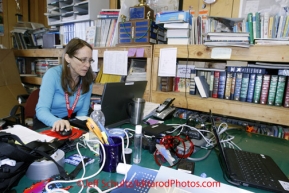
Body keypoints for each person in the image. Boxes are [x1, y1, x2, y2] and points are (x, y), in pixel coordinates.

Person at [34, 38, 94, 131]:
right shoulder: (52, 75)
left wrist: (78, 129)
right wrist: (56, 121)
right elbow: (41, 110)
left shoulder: (88, 79)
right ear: (68, 58)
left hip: (70, 122)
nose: (88, 65)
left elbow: (83, 113)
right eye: (83, 60)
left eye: (90, 60)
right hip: (49, 122)